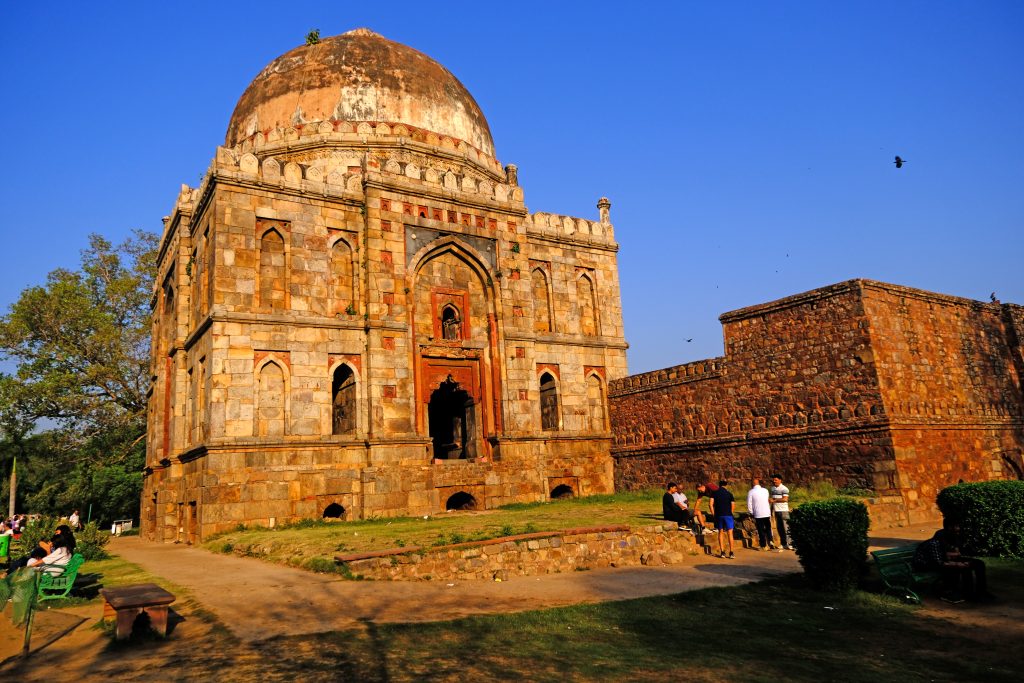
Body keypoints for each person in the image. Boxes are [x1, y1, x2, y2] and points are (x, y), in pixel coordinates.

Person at [913, 520, 990, 602]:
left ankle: (980, 592)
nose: (958, 529)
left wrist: (956, 558)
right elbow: (939, 561)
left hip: (943, 559)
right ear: (950, 527)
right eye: (956, 526)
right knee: (961, 567)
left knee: (979, 563)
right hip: (929, 564)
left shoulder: (954, 535)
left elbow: (955, 552)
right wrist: (956, 563)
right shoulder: (938, 538)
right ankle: (965, 593)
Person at [709, 480, 736, 559]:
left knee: (720, 532)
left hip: (719, 515)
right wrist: (730, 513)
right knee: (730, 533)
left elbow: (710, 504)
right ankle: (731, 552)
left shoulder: (714, 493)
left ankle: (722, 552)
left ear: (719, 485)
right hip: (728, 515)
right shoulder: (729, 494)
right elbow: (733, 505)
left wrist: (714, 514)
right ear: (726, 485)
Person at [746, 478, 774, 550]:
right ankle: (771, 541)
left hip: (758, 513)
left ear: (753, 484)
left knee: (760, 529)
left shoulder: (751, 492)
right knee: (768, 528)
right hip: (766, 512)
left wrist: (751, 512)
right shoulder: (765, 490)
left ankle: (763, 545)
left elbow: (749, 503)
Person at [769, 475, 793, 551]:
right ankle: (783, 544)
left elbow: (785, 499)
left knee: (786, 528)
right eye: (773, 480)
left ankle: (790, 544)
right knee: (780, 528)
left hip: (783, 510)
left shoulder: (784, 488)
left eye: (776, 480)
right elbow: (772, 499)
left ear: (780, 480)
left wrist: (774, 501)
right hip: (776, 511)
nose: (774, 481)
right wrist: (771, 508)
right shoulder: (772, 488)